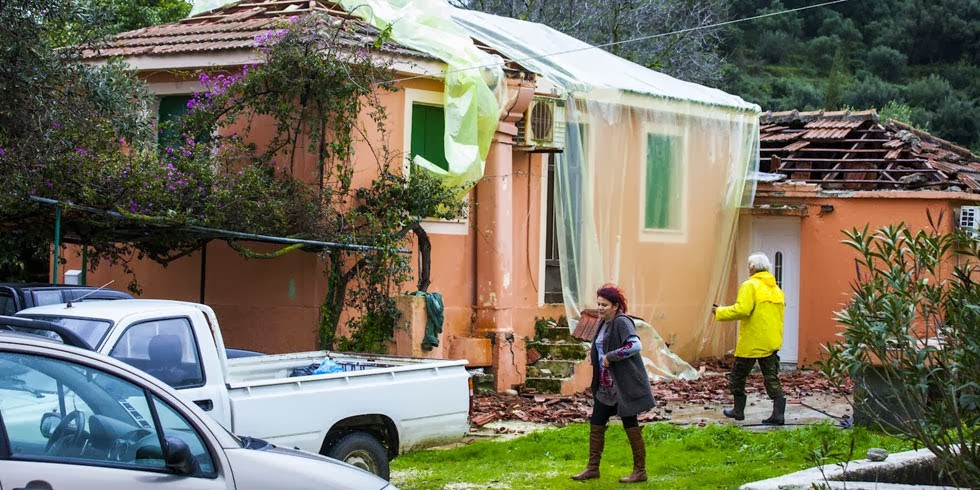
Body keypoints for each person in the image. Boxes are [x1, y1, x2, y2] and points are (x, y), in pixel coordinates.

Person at [571, 284, 655, 483]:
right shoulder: (603, 323)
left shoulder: (621, 322)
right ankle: (592, 468)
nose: (600, 308)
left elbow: (635, 345)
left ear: (616, 306)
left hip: (622, 387)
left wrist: (611, 356)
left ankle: (640, 471)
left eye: (605, 305)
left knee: (630, 424)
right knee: (596, 424)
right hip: (605, 386)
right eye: (598, 304)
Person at [712, 252, 787, 425]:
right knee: (771, 377)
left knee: (737, 376)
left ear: (752, 268)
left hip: (752, 342)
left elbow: (743, 310)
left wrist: (720, 311)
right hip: (771, 341)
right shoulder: (776, 290)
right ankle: (779, 415)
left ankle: (738, 411)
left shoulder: (750, 285)